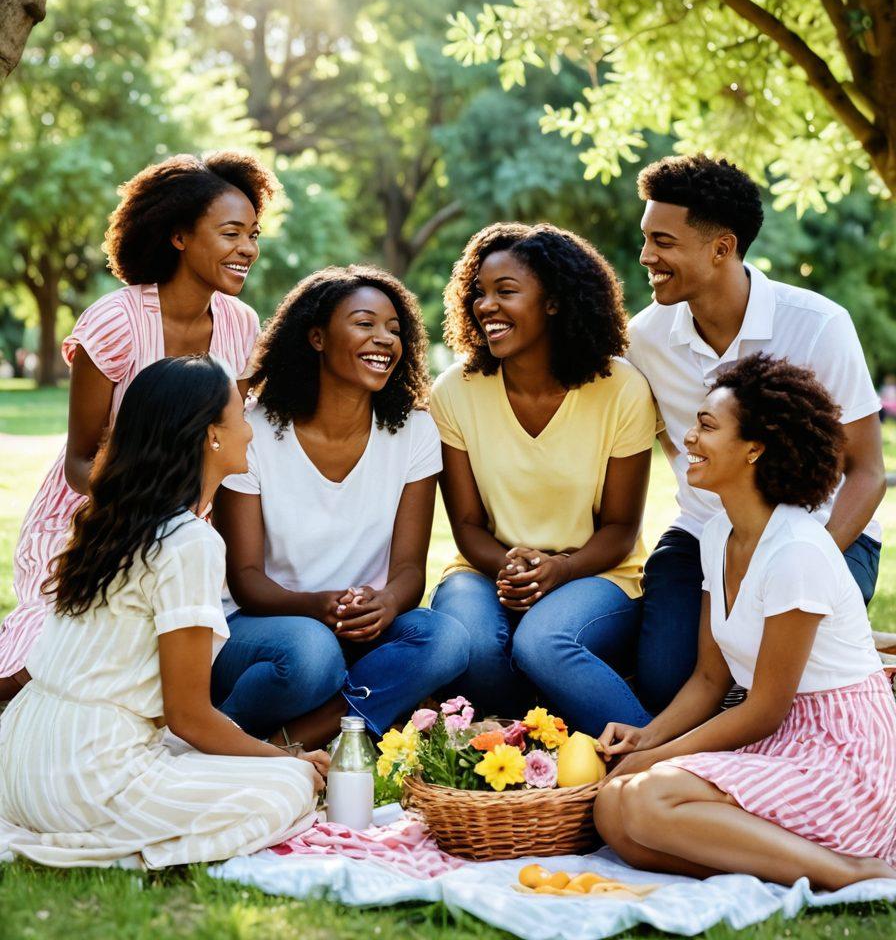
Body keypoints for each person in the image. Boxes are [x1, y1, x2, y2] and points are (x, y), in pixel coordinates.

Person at [0, 356, 327, 868]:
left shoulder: (111, 517)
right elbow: (190, 717)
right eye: (240, 415)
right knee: (288, 787)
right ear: (210, 436)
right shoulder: (189, 541)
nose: (250, 432)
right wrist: (289, 761)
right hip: (84, 776)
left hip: (19, 758)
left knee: (230, 765)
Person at [594, 354, 896, 891]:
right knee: (615, 816)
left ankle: (854, 871)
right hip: (787, 740)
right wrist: (645, 741)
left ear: (755, 449)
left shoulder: (797, 550)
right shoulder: (717, 537)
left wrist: (656, 762)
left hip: (842, 753)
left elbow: (763, 709)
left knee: (646, 797)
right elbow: (711, 681)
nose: (690, 438)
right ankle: (781, 869)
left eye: (708, 426)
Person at [0, 152, 275, 703]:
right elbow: (80, 460)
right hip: (92, 525)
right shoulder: (115, 322)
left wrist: (187, 534)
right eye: (230, 233)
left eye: (252, 233)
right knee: (40, 669)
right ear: (178, 236)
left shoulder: (241, 324)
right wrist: (148, 518)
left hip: (185, 534)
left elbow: (225, 440)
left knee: (148, 680)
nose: (247, 248)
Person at [628, 154, 886, 714]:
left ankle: (864, 653)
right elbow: (665, 436)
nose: (646, 256)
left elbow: (867, 472)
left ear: (721, 247)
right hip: (704, 535)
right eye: (646, 238)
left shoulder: (819, 324)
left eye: (663, 242)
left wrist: (797, 560)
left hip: (818, 534)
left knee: (783, 681)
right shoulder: (643, 339)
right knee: (664, 677)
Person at [211, 266, 470, 751]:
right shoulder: (254, 433)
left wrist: (387, 603)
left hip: (365, 625)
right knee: (314, 654)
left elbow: (410, 568)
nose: (385, 339)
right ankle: (220, 735)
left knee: (447, 639)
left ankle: (292, 739)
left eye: (395, 329)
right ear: (316, 337)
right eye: (365, 323)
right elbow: (245, 578)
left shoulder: (413, 433)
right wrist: (317, 607)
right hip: (269, 629)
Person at [429, 223, 656, 729]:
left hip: (598, 573)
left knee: (542, 642)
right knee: (468, 642)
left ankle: (656, 753)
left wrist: (559, 570)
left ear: (554, 301)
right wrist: (511, 564)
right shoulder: (454, 391)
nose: (486, 306)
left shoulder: (621, 389)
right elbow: (465, 524)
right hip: (485, 569)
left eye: (505, 292)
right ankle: (537, 753)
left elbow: (620, 528)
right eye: (479, 294)